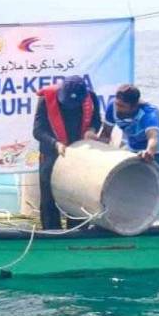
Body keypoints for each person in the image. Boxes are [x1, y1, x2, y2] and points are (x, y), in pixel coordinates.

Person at [33, 75, 102, 230]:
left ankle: (78, 231)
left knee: (79, 195)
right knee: (49, 198)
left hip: (79, 154)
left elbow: (96, 120)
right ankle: (52, 232)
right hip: (52, 153)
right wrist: (55, 144)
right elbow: (38, 131)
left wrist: (91, 130)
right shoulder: (46, 99)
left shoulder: (91, 98)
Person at [98, 84, 159, 170]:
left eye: (122, 106)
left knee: (145, 180)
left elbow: (153, 138)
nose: (118, 108)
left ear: (134, 106)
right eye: (117, 104)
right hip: (133, 147)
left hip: (156, 151)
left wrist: (148, 152)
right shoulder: (112, 107)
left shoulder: (149, 113)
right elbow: (106, 133)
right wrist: (99, 151)